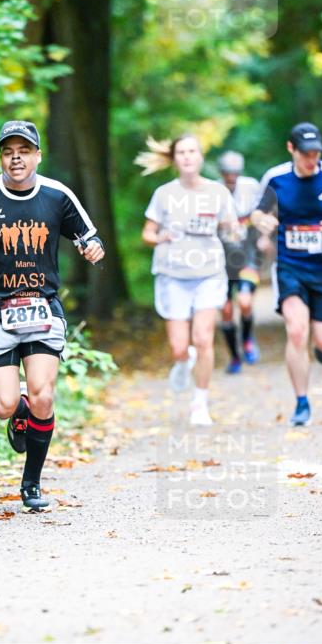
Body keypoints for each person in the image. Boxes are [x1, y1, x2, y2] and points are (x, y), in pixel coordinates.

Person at [0, 119, 105, 510]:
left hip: (43, 306)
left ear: (37, 156)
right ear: (1, 156)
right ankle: (21, 412)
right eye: (9, 151)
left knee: (44, 394)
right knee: (4, 406)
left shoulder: (57, 195)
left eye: (24, 150)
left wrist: (92, 248)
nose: (16, 158)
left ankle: (31, 483)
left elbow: (88, 235)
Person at [251, 122, 322, 426]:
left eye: (316, 153)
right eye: (306, 153)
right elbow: (258, 211)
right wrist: (262, 222)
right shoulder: (276, 178)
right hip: (291, 265)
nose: (312, 159)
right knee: (296, 330)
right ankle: (302, 403)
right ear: (291, 149)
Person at [138, 134, 238, 426]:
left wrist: (236, 232)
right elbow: (147, 233)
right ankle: (183, 361)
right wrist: (159, 237)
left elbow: (233, 229)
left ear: (201, 156)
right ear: (174, 159)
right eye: (181, 152)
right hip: (173, 276)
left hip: (208, 273)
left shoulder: (218, 193)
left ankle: (200, 403)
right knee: (180, 347)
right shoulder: (164, 194)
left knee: (203, 338)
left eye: (192, 151)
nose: (187, 156)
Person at [217, 150, 262, 373]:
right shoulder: (212, 191)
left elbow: (265, 213)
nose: (231, 178)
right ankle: (234, 357)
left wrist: (264, 236)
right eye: (227, 174)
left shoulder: (252, 187)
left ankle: (247, 341)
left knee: (244, 302)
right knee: (225, 311)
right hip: (221, 260)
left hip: (248, 255)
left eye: (234, 174)